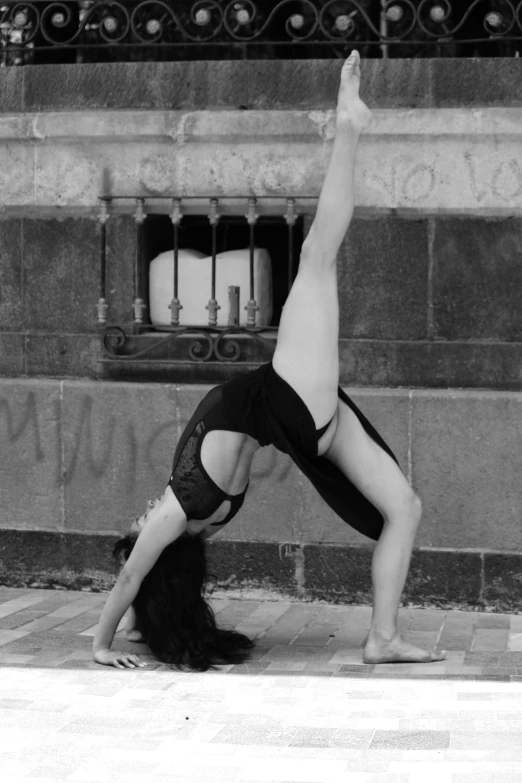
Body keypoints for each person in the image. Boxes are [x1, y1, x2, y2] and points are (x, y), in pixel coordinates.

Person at [93, 51, 446, 671]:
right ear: (158, 545)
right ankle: (350, 125)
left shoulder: (198, 515)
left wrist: (137, 623)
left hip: (305, 418)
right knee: (316, 258)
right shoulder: (182, 507)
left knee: (404, 509)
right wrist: (98, 645)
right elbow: (129, 583)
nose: (141, 514)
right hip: (288, 399)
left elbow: (139, 586)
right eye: (139, 529)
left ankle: (382, 638)